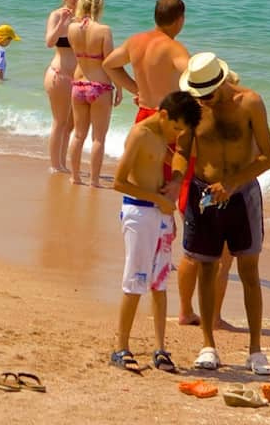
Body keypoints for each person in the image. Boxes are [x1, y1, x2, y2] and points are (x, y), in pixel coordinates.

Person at [177, 52, 270, 375]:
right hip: (203, 193)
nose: (202, 101)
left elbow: (268, 157)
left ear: (220, 84)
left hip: (242, 193)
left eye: (206, 95)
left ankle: (256, 350)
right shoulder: (193, 106)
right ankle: (208, 345)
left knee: (249, 271)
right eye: (197, 95)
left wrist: (232, 183)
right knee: (206, 268)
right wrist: (171, 184)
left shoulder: (249, 103)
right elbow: (182, 151)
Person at [109, 92, 204, 374]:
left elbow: (179, 161)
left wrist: (175, 182)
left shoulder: (163, 136)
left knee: (160, 283)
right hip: (138, 212)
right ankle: (121, 347)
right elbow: (118, 182)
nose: (177, 135)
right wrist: (158, 201)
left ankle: (160, 348)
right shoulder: (140, 134)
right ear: (164, 116)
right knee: (135, 281)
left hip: (160, 214)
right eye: (176, 128)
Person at [105, 0, 191, 123]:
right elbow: (195, 75)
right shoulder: (174, 48)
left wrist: (137, 90)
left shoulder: (134, 41)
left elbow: (108, 65)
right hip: (167, 119)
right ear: (180, 19)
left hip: (143, 115)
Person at [66, 0, 117, 187]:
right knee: (98, 138)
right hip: (100, 86)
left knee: (78, 134)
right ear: (100, 5)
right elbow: (110, 63)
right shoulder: (104, 30)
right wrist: (120, 88)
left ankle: (75, 176)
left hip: (78, 84)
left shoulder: (71, 28)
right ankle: (95, 180)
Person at [44, 0, 85, 173]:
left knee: (70, 124)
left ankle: (62, 163)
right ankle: (54, 165)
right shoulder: (57, 15)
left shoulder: (84, 18)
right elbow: (49, 42)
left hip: (77, 77)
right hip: (59, 74)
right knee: (60, 121)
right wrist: (62, 23)